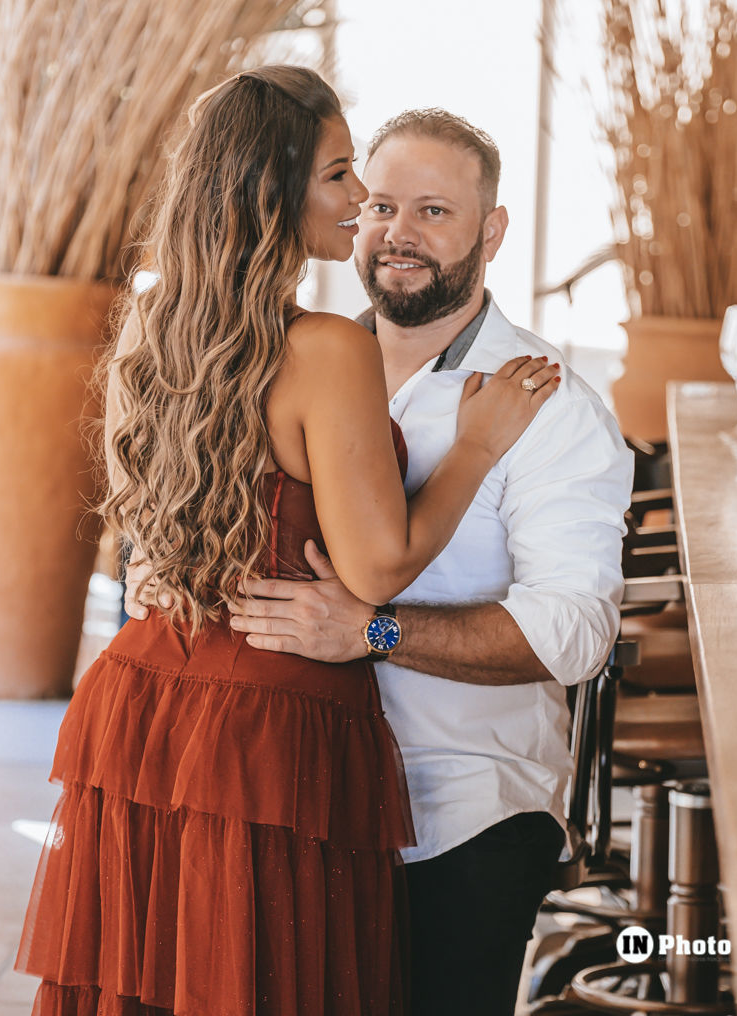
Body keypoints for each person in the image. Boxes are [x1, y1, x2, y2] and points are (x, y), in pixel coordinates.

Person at [16, 69, 558, 1016]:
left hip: (144, 701)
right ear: (273, 190)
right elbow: (378, 569)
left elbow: (148, 529)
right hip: (268, 727)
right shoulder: (326, 349)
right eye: (342, 177)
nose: (364, 207)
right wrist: (474, 447)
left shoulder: (156, 323)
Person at [216, 108, 636, 1015]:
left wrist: (370, 630)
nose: (398, 234)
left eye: (435, 212)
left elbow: (574, 633)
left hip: (459, 804)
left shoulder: (548, 403)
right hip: (293, 790)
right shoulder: (300, 358)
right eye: (379, 206)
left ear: (492, 231)